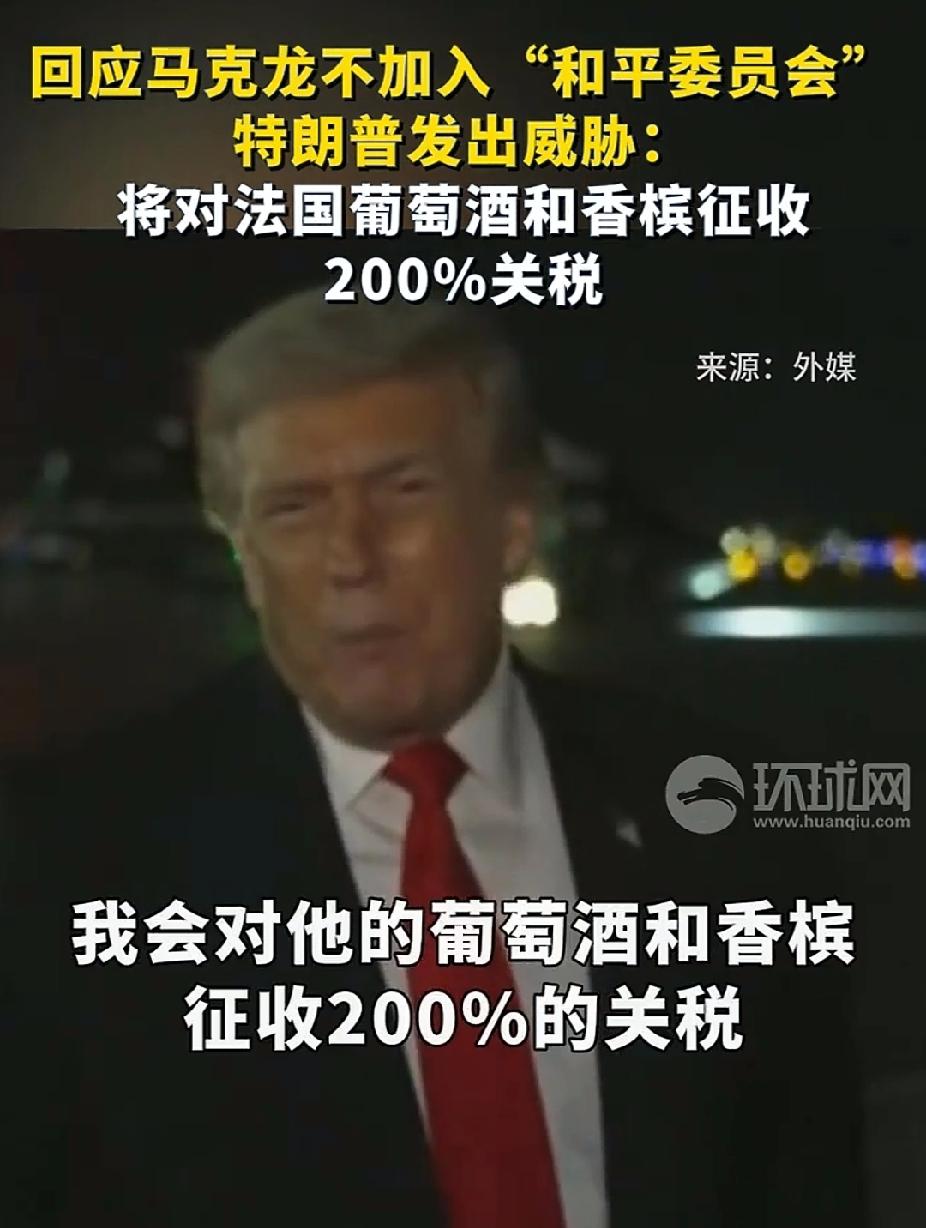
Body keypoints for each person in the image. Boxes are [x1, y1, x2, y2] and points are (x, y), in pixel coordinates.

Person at [1, 290, 865, 1227]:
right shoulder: (65, 862)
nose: (351, 557)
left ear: (513, 527)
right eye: (294, 508)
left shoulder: (727, 829)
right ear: (244, 556)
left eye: (403, 490)